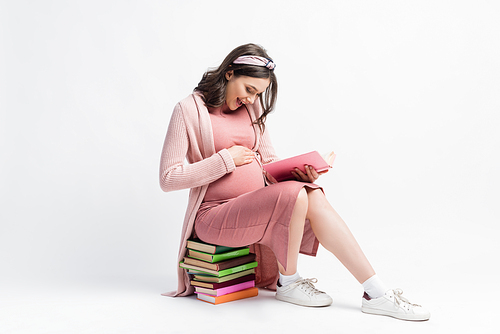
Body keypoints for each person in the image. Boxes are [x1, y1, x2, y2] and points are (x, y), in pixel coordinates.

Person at [159, 43, 430, 321]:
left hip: (255, 209)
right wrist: (224, 160)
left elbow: (268, 164)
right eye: (249, 90)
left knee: (310, 192)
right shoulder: (188, 110)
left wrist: (296, 173)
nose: (252, 100)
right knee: (297, 195)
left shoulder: (252, 111)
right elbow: (168, 178)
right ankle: (288, 282)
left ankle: (376, 292)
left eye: (259, 94)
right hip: (213, 217)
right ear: (229, 73)